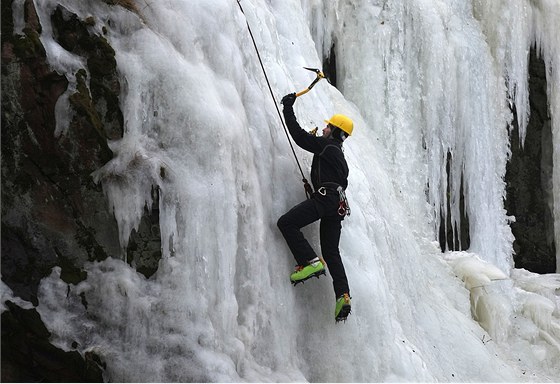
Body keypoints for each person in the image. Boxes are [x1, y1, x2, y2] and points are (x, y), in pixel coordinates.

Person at [277, 92, 353, 322]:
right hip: (336, 206)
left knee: (286, 223)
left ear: (336, 132)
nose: (324, 130)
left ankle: (309, 261)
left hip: (326, 200)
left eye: (328, 127)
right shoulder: (339, 156)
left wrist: (288, 107)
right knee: (331, 252)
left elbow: (299, 137)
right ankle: (343, 295)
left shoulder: (327, 147)